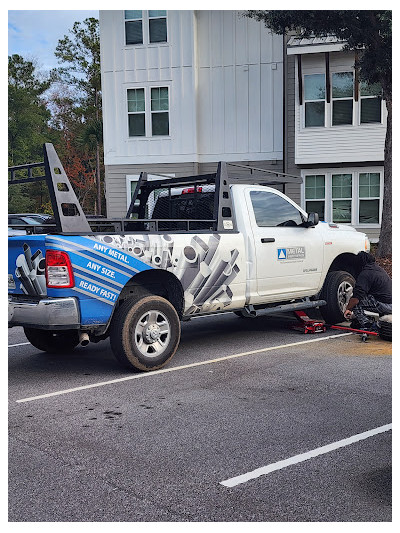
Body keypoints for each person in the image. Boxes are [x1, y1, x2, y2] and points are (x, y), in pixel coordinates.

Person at [344, 251, 392, 330]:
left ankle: (367, 325)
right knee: (372, 297)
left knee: (355, 303)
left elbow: (356, 298)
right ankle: (379, 322)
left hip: (385, 305)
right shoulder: (379, 270)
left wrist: (348, 309)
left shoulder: (365, 274)